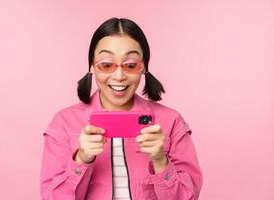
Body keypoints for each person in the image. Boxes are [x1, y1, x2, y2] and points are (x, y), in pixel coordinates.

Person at [40, 17, 203, 200]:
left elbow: (188, 197)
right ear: (92, 66)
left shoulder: (171, 121)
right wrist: (81, 159)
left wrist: (160, 160)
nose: (119, 76)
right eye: (107, 65)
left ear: (144, 68)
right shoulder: (63, 123)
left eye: (131, 65)